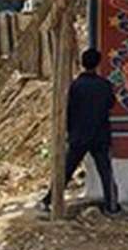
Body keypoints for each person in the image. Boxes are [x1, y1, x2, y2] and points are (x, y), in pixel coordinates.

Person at [42, 48, 119, 214]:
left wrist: (70, 132)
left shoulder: (75, 86)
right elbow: (111, 104)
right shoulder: (104, 86)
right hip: (100, 136)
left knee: (67, 170)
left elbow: (67, 110)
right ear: (98, 64)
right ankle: (111, 206)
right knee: (105, 172)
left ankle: (49, 200)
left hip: (79, 136)